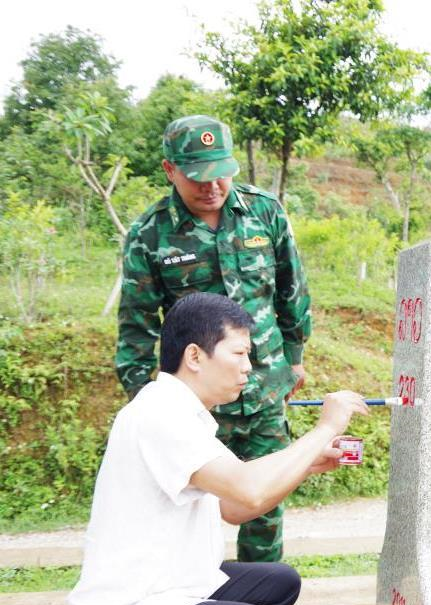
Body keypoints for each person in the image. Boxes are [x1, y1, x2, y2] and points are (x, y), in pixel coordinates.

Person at [70, 293, 368, 605]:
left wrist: (308, 464)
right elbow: (247, 493)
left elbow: (232, 507)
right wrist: (322, 430)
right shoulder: (161, 417)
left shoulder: (181, 412)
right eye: (239, 352)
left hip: (167, 589)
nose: (248, 366)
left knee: (279, 583)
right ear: (195, 355)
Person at [115, 114, 311, 563]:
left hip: (263, 388)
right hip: (196, 405)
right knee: (190, 511)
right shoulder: (149, 236)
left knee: (264, 506)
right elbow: (136, 326)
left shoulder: (264, 211)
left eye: (221, 173)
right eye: (197, 177)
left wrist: (295, 358)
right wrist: (145, 403)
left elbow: (291, 289)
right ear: (169, 170)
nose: (212, 187)